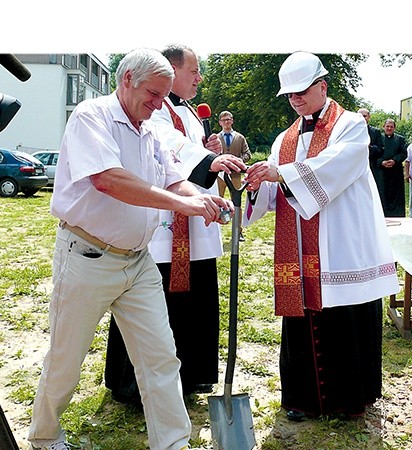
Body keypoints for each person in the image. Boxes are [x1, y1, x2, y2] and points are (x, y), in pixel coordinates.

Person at [27, 48, 232, 450]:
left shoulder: (150, 129)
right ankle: (45, 435)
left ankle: (172, 443)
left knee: (161, 358)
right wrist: (184, 204)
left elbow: (175, 181)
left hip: (137, 264)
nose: (159, 105)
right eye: (153, 94)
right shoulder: (92, 116)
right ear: (126, 80)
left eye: (163, 96)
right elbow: (109, 180)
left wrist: (206, 199)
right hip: (88, 257)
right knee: (66, 361)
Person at [242, 52, 399, 421]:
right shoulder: (285, 137)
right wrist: (254, 183)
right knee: (302, 314)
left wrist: (281, 174)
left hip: (341, 242)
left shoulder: (349, 125)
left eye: (301, 91)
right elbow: (274, 192)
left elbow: (338, 167)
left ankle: (349, 399)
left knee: (345, 316)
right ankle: (301, 397)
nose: (295, 99)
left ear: (322, 86)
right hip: (298, 246)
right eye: (289, 95)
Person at [104, 45, 246, 407]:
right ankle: (134, 384)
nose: (199, 78)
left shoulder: (188, 114)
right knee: (155, 303)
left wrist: (207, 147)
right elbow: (168, 145)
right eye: (194, 71)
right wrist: (209, 159)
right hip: (164, 223)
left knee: (194, 298)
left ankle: (190, 375)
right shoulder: (152, 107)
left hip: (194, 221)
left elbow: (189, 147)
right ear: (170, 70)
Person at [376, 118, 408, 216]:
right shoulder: (378, 138)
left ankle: (397, 214)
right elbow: (373, 154)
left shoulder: (400, 139)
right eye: (387, 126)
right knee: (382, 194)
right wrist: (382, 162)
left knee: (396, 195)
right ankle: (382, 215)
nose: (389, 128)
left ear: (394, 128)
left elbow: (404, 153)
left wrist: (395, 160)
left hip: (396, 172)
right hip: (382, 172)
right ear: (383, 127)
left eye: (391, 127)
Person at [217, 110, 252, 197]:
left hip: (236, 174)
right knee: (217, 200)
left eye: (228, 119)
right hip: (220, 174)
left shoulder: (240, 137)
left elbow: (247, 154)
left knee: (236, 201)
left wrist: (239, 161)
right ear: (220, 123)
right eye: (224, 120)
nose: (226, 122)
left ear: (232, 121)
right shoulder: (216, 139)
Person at [357, 108, 384, 178]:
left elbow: (381, 150)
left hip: (371, 166)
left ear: (369, 117)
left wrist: (369, 147)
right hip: (356, 166)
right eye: (360, 116)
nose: (362, 118)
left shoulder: (375, 132)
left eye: (365, 116)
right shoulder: (351, 131)